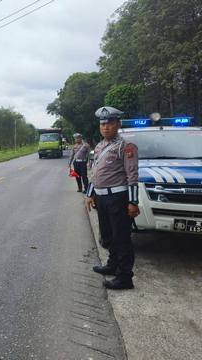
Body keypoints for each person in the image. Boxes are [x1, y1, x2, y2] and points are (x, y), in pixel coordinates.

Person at [84, 106, 140, 290]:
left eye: (109, 123)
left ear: (118, 124)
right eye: (102, 124)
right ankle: (112, 264)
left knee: (121, 238)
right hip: (101, 198)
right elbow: (94, 173)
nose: (105, 127)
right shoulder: (99, 146)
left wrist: (133, 202)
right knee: (107, 237)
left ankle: (125, 277)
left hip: (118, 198)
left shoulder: (126, 146)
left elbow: (132, 175)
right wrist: (89, 194)